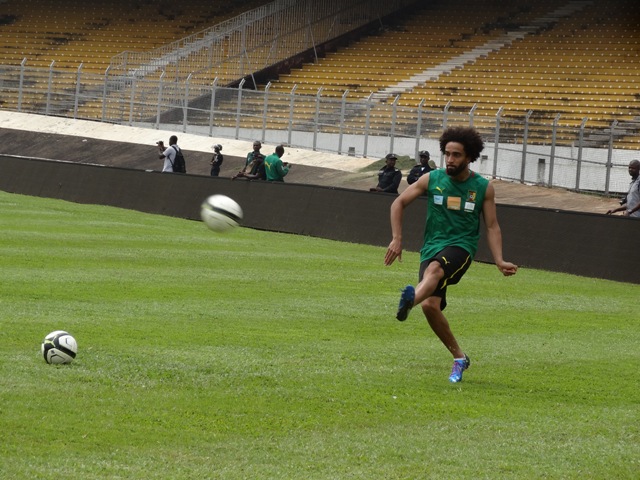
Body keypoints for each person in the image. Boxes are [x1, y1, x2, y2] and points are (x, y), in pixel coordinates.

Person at [384, 126, 518, 383]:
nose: (450, 159)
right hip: (431, 247)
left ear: (469, 157)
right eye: (447, 154)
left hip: (461, 247)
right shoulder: (431, 179)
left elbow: (492, 226)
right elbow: (398, 203)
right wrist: (397, 239)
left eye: (456, 155)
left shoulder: (483, 187)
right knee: (430, 306)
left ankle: (409, 302)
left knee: (434, 270)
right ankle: (459, 358)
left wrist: (499, 260)